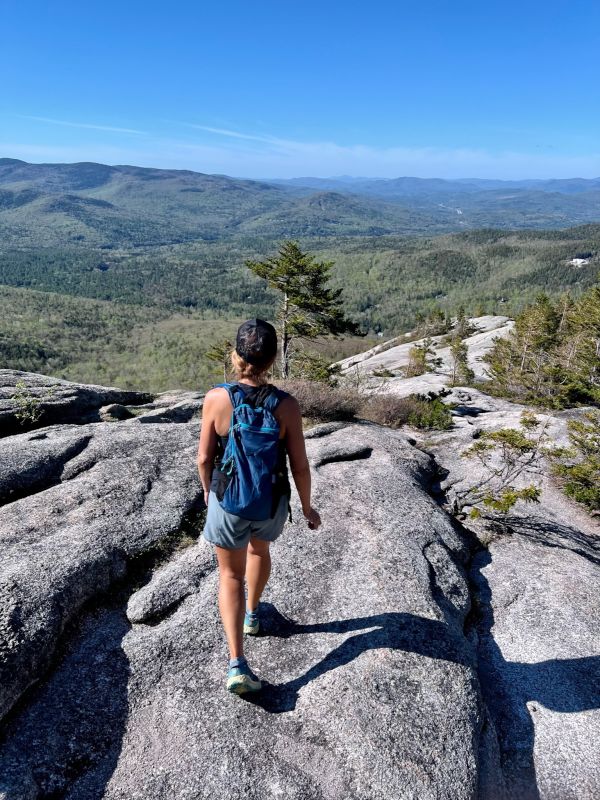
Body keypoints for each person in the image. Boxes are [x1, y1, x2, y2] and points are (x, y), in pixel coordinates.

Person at [197, 318, 322, 695]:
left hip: (229, 500)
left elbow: (204, 457)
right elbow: (299, 465)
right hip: (269, 502)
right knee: (260, 549)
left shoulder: (217, 398)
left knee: (229, 576)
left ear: (236, 356)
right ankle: (253, 614)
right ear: (272, 360)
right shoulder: (287, 406)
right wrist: (306, 507)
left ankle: (237, 663)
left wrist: (208, 492)